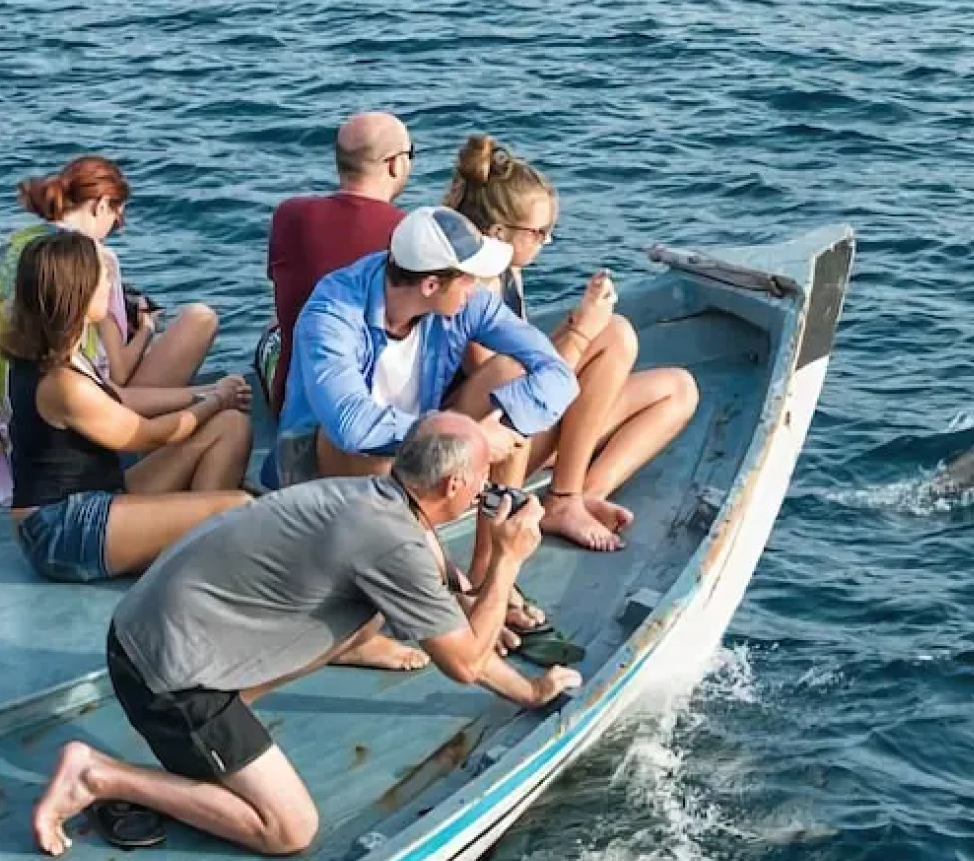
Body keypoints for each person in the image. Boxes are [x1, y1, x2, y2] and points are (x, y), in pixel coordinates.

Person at [30, 413, 582, 858]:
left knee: (359, 616)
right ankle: (98, 776)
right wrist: (507, 559)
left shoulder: (374, 496)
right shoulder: (393, 543)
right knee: (288, 829)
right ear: (454, 484)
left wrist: (531, 694)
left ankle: (223, 726)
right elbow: (464, 662)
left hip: (149, 630)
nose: (489, 490)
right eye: (484, 480)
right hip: (166, 676)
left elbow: (449, 606)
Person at [441, 134, 699, 551]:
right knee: (613, 334)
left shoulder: (507, 271)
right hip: (485, 443)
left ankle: (581, 494)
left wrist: (581, 326)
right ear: (499, 230)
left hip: (521, 426)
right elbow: (514, 387)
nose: (546, 242)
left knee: (677, 390)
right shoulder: (468, 289)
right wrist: (580, 329)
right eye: (539, 232)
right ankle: (564, 499)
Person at [0, 155, 219, 506]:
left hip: (9, 441)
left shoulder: (9, 247)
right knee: (200, 320)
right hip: (75, 430)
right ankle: (162, 473)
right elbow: (117, 377)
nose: (115, 227)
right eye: (117, 217)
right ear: (100, 205)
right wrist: (147, 331)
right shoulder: (91, 259)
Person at [0, 232, 253, 582]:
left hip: (96, 497)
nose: (110, 283)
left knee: (230, 426)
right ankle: (199, 559)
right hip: (61, 531)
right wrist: (215, 400)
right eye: (103, 276)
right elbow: (145, 435)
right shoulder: (61, 383)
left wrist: (208, 392)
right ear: (79, 289)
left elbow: (119, 399)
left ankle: (196, 547)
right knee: (236, 508)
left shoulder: (58, 351)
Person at [276, 205, 579, 488]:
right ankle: (401, 524)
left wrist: (506, 424)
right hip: (322, 464)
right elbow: (350, 426)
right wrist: (469, 437)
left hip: (416, 441)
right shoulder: (332, 313)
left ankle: (494, 519)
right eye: (469, 277)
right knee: (358, 440)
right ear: (431, 285)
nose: (478, 286)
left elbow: (557, 372)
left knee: (511, 376)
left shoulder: (467, 301)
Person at [265, 112, 414, 410]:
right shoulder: (410, 232)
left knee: (274, 329)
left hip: (291, 398)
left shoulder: (289, 214)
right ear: (395, 164)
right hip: (380, 399)